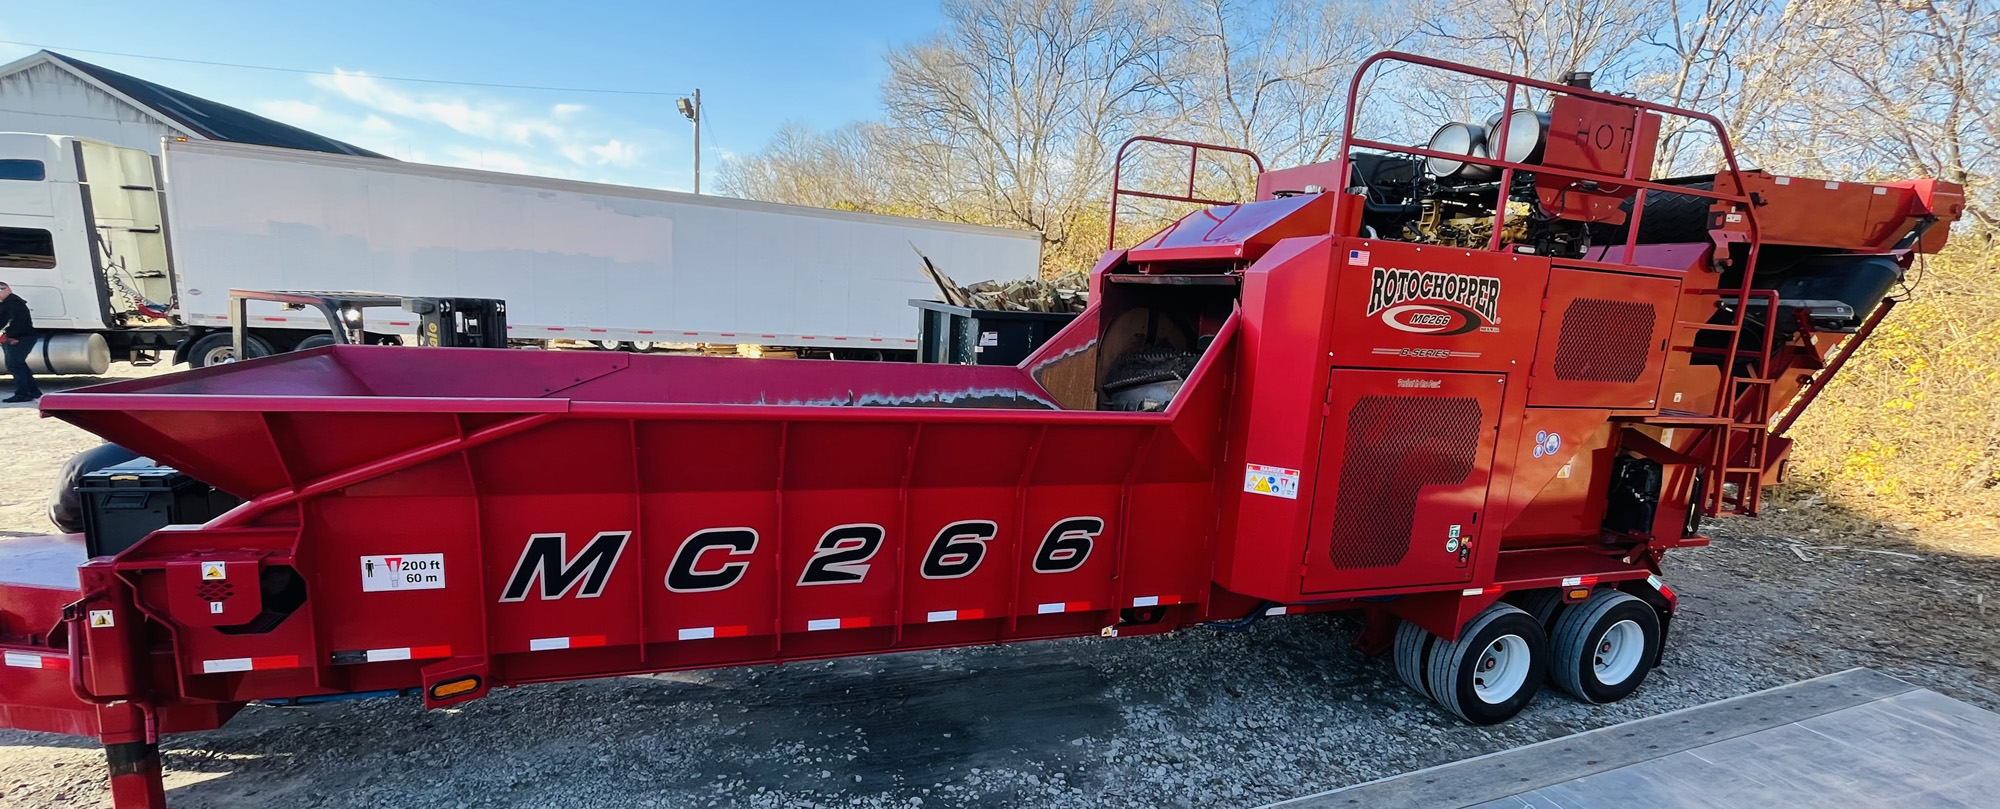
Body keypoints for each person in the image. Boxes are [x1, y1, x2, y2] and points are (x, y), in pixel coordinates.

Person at [1, 281, 43, 403]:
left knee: (15, 365)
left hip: (19, 338)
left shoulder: (12, 304)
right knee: (19, 365)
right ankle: (33, 391)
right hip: (22, 337)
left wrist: (12, 337)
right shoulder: (12, 303)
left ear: (4, 290)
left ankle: (23, 393)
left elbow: (13, 322)